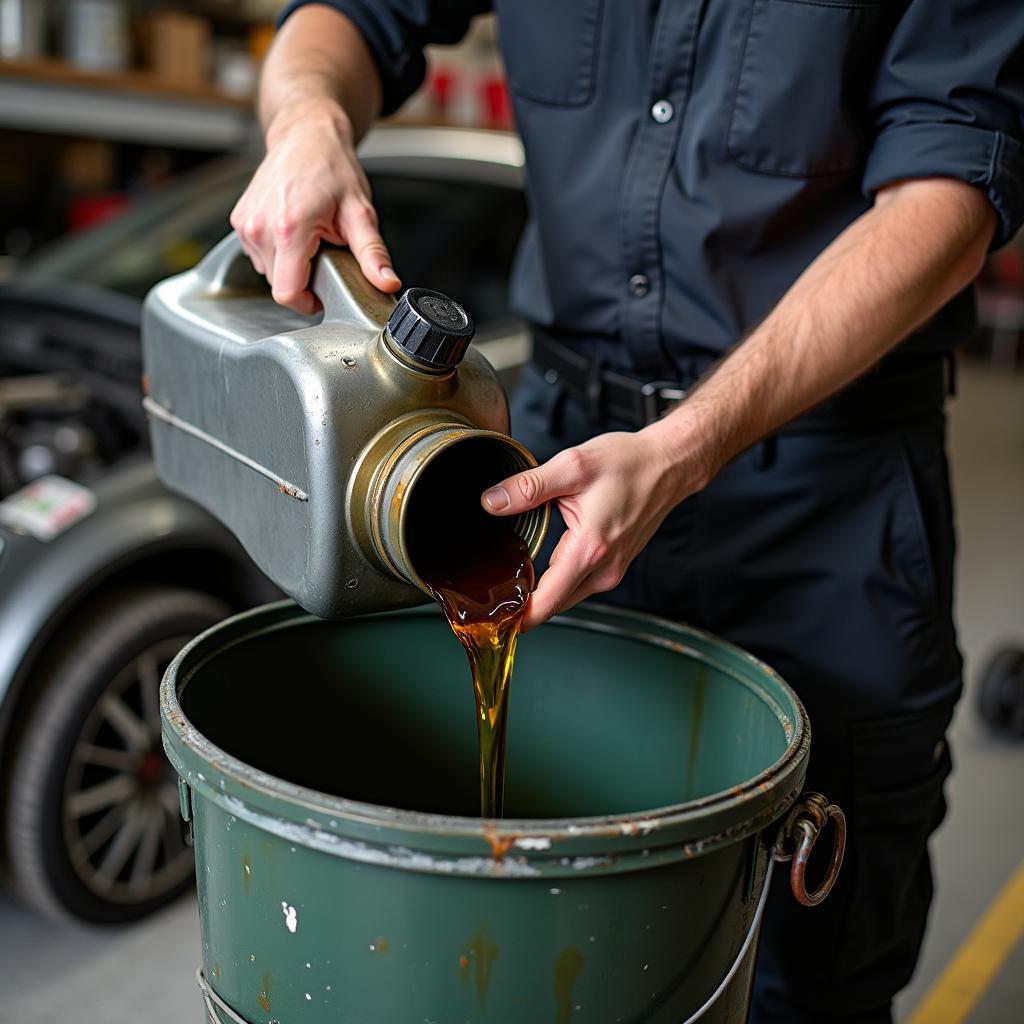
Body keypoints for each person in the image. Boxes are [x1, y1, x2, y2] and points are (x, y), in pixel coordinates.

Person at [233, 3, 1024, 1021]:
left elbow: (948, 198)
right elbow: (346, 18)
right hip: (560, 466)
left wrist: (686, 446)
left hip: (824, 495)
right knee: (562, 949)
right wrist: (307, 117)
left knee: (814, 961)